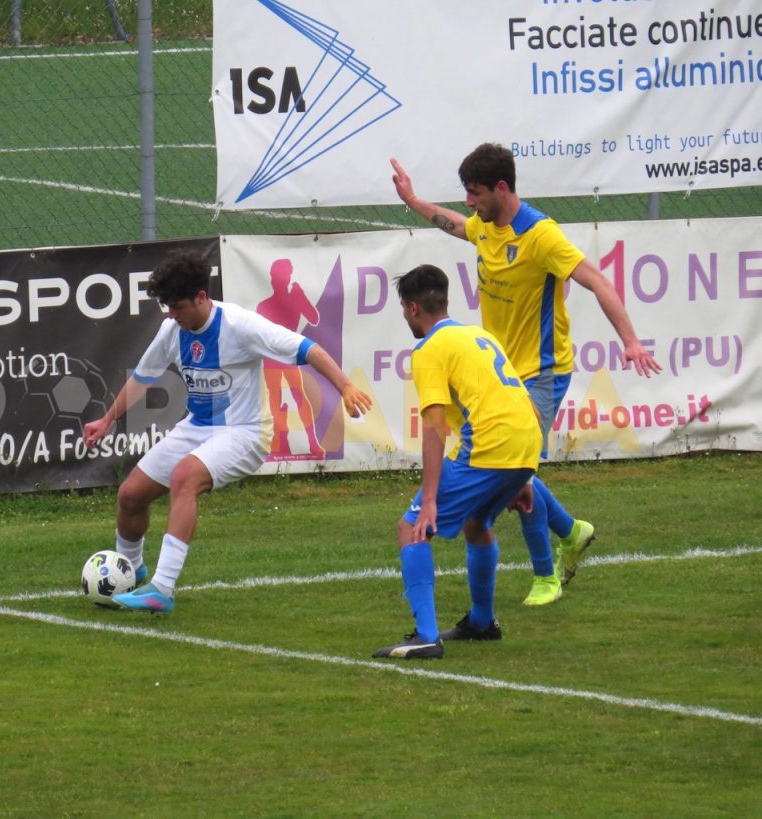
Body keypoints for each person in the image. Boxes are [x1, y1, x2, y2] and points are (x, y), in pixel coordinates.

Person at [390, 144, 662, 604]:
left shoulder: (541, 235)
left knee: (517, 470)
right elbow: (459, 226)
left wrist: (630, 339)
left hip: (541, 372)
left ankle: (546, 576)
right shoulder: (486, 227)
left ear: (502, 188)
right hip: (503, 374)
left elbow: (596, 280)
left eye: (475, 193)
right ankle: (571, 532)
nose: (469, 204)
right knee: (514, 469)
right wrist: (414, 202)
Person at [82, 249, 372, 614]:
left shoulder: (241, 326)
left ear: (201, 298)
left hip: (244, 432)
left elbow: (307, 348)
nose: (171, 315)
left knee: (184, 477)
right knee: (130, 494)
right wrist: (107, 419)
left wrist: (345, 387)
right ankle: (128, 573)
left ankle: (162, 589)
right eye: (167, 307)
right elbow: (144, 376)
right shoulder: (172, 329)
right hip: (197, 427)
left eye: (177, 307)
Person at [373, 264, 542, 660]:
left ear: (413, 309)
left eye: (402, 308)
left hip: (491, 447)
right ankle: (482, 622)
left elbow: (435, 428)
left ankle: (427, 637)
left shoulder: (429, 349)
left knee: (411, 526)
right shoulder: (479, 335)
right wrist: (524, 473)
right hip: (525, 443)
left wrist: (428, 499)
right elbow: (525, 403)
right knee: (476, 523)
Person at [256, 258, 325, 460]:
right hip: (272, 360)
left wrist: (301, 297)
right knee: (275, 401)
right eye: (273, 276)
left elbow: (314, 318)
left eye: (280, 275)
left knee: (298, 397)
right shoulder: (264, 305)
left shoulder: (295, 297)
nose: (274, 280)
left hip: (289, 357)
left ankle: (313, 443)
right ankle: (278, 445)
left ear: (287, 277)